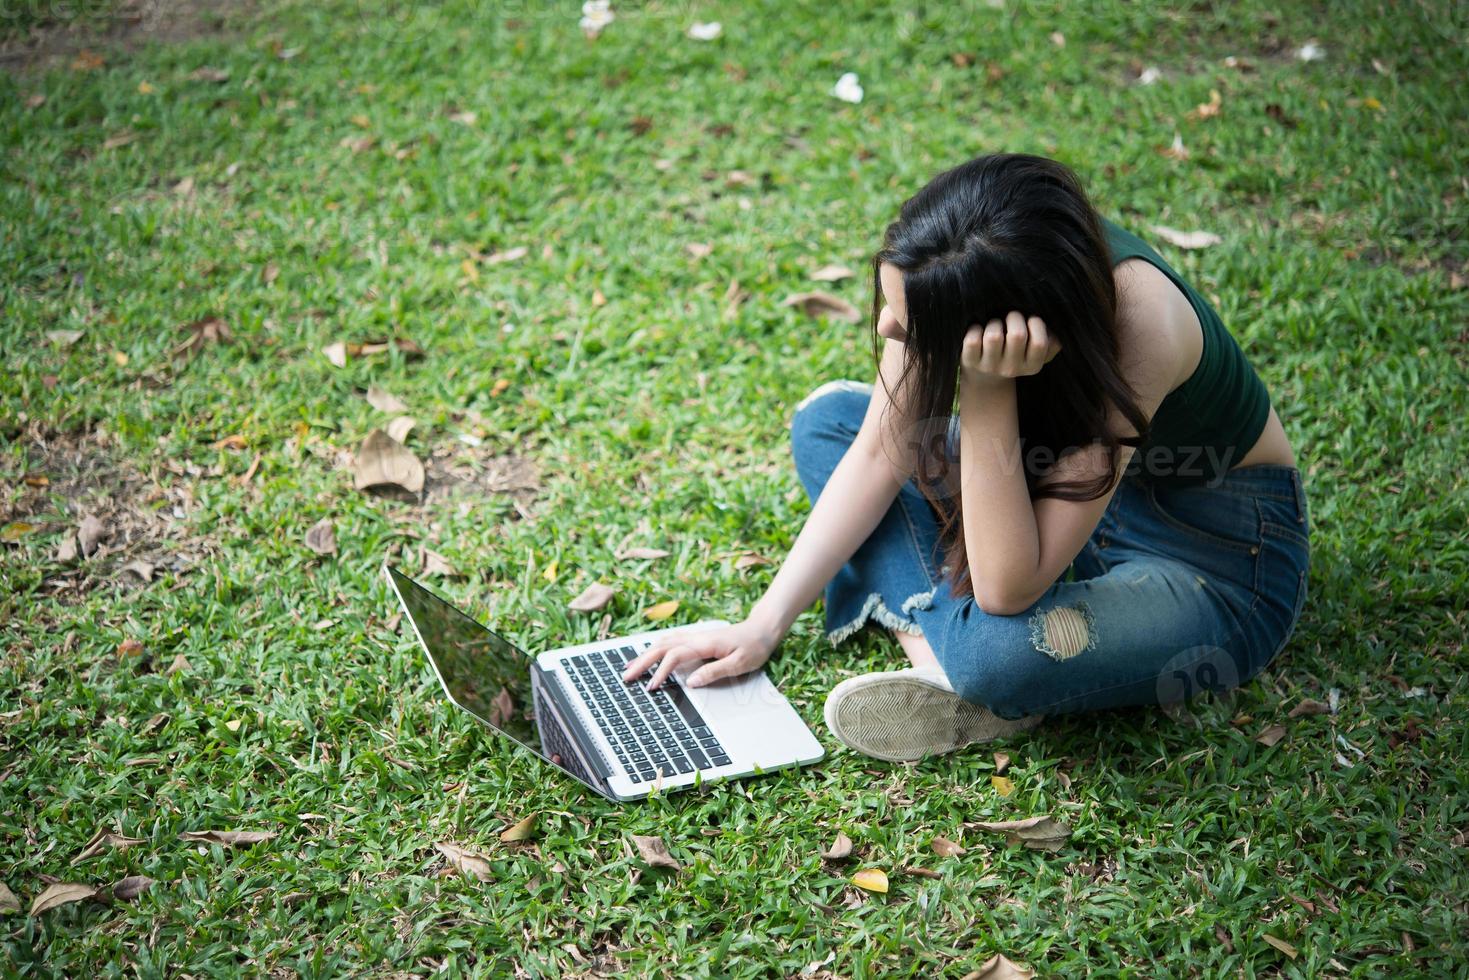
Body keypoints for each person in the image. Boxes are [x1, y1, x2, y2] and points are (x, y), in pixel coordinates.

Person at [622, 152, 1311, 762]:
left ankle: (958, 666)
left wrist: (985, 390)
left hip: (1206, 558)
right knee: (831, 421)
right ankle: (937, 656)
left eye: (910, 325)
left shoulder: (1144, 327)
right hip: (1055, 484)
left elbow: (1006, 590)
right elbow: (877, 453)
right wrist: (760, 625)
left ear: (1000, 324)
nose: (887, 327)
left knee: (995, 653)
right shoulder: (957, 257)